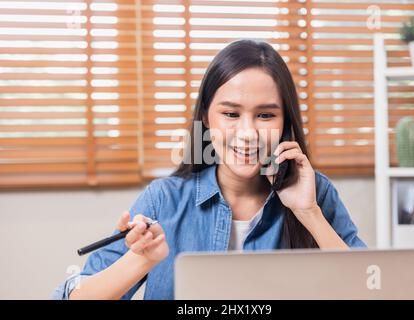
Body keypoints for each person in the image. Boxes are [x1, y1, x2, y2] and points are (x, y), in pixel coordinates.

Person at [52, 39, 366, 300]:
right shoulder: (164, 200)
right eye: (231, 114)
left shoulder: (315, 194)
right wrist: (140, 260)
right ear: (206, 118)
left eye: (266, 116)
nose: (248, 133)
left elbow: (371, 291)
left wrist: (309, 213)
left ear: (285, 121)